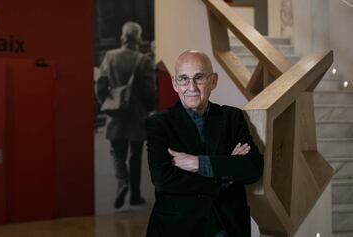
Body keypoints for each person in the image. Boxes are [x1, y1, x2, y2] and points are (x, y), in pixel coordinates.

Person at [145, 50, 263, 237]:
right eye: (183, 78)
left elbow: (253, 167)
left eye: (199, 77)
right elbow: (163, 180)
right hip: (178, 229)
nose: (191, 87)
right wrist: (225, 175)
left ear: (213, 81)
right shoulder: (159, 124)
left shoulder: (232, 117)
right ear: (175, 83)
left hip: (227, 227)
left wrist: (199, 163)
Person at [97, 21, 156, 209]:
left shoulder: (110, 57)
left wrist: (107, 103)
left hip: (115, 115)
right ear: (138, 37)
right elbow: (150, 91)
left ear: (123, 36)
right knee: (135, 155)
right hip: (137, 116)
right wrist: (148, 108)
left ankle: (122, 183)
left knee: (117, 153)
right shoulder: (143, 60)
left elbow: (100, 85)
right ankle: (135, 195)